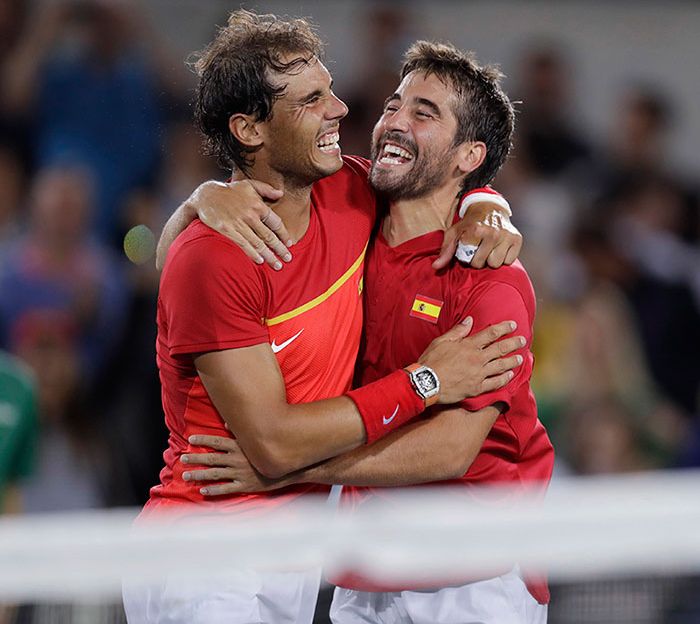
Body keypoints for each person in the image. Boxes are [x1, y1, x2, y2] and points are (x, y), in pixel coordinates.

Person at [124, 11, 527, 624]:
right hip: (205, 551)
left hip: (297, 558)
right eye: (312, 99)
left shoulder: (352, 193)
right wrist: (429, 380)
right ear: (250, 130)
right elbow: (274, 443)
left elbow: (437, 179)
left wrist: (487, 201)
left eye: (331, 89)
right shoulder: (213, 255)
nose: (342, 109)